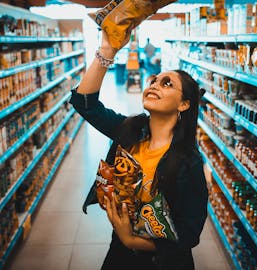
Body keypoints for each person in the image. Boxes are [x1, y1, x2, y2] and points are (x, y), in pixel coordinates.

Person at [70, 31, 208, 270]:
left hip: (164, 261)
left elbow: (189, 234)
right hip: (120, 254)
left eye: (167, 84)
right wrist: (107, 50)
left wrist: (132, 240)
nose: (154, 85)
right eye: (154, 80)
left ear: (184, 104)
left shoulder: (190, 163)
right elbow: (85, 105)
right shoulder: (129, 131)